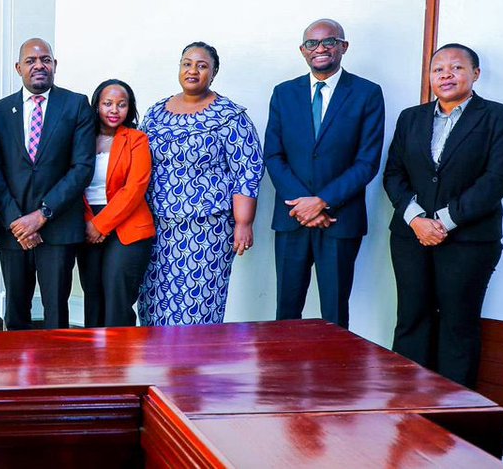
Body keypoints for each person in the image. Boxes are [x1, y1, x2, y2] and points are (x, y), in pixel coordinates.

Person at [383, 43, 503, 388]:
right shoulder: (411, 117)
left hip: (468, 240)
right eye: (438, 69)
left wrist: (444, 220)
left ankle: (454, 415)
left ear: (475, 74)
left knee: (459, 324)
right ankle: (409, 407)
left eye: (456, 68)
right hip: (411, 237)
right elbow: (393, 174)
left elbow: (498, 179)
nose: (446, 75)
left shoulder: (497, 117)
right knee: (411, 319)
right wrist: (415, 219)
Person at [264, 19, 385, 330]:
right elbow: (274, 156)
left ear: (343, 47)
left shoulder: (367, 93)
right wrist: (303, 205)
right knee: (287, 309)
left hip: (340, 220)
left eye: (328, 42)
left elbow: (367, 161)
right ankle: (285, 375)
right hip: (292, 219)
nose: (320, 49)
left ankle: (333, 377)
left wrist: (323, 201)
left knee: (334, 310)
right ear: (302, 51)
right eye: (311, 44)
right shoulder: (283, 93)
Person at [138, 42, 263, 326]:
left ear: (214, 72)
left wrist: (244, 223)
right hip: (156, 230)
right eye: (186, 63)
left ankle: (193, 370)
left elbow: (248, 170)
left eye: (202, 65)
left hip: (206, 231)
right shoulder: (156, 113)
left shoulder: (231, 116)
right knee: (153, 304)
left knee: (198, 307)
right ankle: (159, 369)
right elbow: (140, 163)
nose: (192, 70)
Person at [0, 38, 95, 330]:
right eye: (31, 61)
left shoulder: (76, 105)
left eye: (45, 59)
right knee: (16, 311)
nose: (39, 65)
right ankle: (16, 372)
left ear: (55, 65)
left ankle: (57, 373)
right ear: (18, 67)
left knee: (56, 313)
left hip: (58, 227)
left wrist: (42, 215)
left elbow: (82, 167)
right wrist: (17, 222)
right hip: (13, 230)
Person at [80, 79, 155, 328]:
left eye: (121, 105)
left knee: (117, 297)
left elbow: (135, 188)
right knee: (92, 295)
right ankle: (94, 359)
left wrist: (100, 225)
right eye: (108, 104)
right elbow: (71, 182)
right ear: (96, 106)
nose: (114, 110)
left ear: (129, 108)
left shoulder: (136, 139)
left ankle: (119, 360)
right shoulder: (81, 138)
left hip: (127, 225)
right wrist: (89, 222)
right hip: (86, 222)